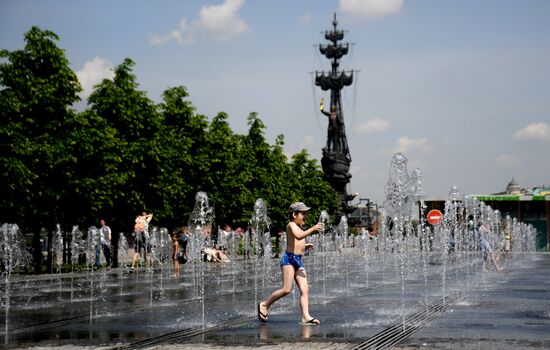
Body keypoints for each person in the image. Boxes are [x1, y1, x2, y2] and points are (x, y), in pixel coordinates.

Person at [258, 202, 324, 326]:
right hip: (288, 260)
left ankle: (305, 316)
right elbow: (298, 237)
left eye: (306, 213)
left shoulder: (299, 227)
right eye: (303, 213)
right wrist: (313, 229)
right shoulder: (291, 225)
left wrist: (305, 245)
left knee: (305, 289)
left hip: (298, 260)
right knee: (287, 289)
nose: (306, 216)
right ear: (294, 214)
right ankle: (264, 304)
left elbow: (296, 242)